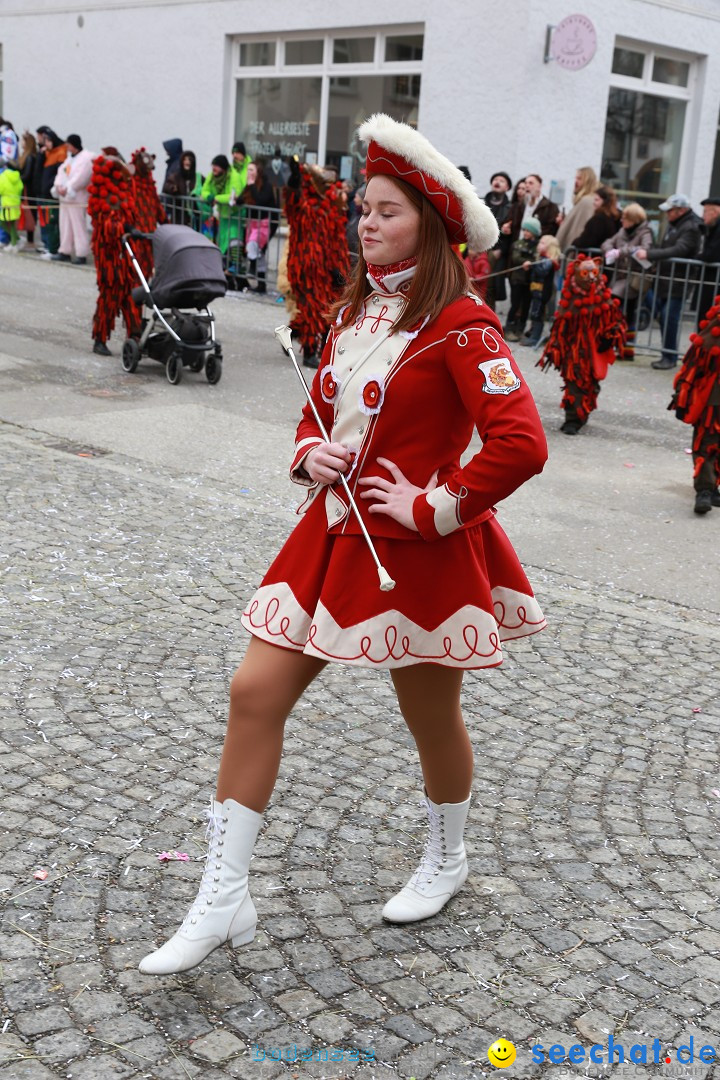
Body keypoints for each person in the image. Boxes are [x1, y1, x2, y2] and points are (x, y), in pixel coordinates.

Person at [138, 112, 548, 977]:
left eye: (388, 210)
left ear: (430, 227)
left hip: (417, 551)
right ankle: (223, 896)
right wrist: (308, 451)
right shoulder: (354, 312)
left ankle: (447, 856)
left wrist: (435, 503)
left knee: (429, 716)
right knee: (254, 693)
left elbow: (521, 443)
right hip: (328, 535)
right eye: (364, 207)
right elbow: (317, 412)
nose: (367, 222)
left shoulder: (465, 327)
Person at [538, 255, 626, 434]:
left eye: (594, 272)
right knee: (574, 383)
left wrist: (610, 336)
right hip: (575, 351)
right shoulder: (570, 299)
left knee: (592, 384)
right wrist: (554, 347)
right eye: (585, 273)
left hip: (595, 350)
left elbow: (616, 320)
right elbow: (560, 327)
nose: (591, 277)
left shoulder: (602, 296)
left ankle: (584, 411)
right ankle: (573, 418)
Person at [285, 158, 349, 367]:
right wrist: (294, 181)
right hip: (307, 268)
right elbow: (293, 202)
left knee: (329, 306)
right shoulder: (305, 206)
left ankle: (292, 333)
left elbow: (336, 241)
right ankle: (310, 352)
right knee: (314, 307)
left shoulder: (332, 208)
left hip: (329, 267)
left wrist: (338, 268)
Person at [635, 193, 702, 370]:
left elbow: (680, 249)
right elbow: (665, 247)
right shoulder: (675, 224)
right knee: (664, 316)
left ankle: (670, 356)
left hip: (679, 280)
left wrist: (650, 255)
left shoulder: (691, 227)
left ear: (681, 210)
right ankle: (667, 354)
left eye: (670, 211)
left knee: (669, 317)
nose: (667, 214)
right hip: (667, 279)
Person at [669, 296, 720, 514]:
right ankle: (705, 490)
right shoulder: (713, 331)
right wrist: (682, 394)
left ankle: (713, 485)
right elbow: (694, 362)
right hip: (712, 402)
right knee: (707, 442)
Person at [87, 148, 139, 356]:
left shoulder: (124, 192)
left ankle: (135, 337)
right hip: (109, 254)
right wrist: (123, 228)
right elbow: (106, 226)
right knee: (109, 295)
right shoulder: (103, 197)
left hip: (124, 252)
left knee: (131, 295)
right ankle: (100, 339)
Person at [601, 202, 654, 359]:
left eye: (625, 217)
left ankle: (625, 348)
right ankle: (613, 345)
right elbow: (607, 242)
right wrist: (610, 250)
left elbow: (644, 249)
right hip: (620, 276)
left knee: (626, 311)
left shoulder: (645, 232)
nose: (622, 220)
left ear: (633, 219)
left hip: (634, 278)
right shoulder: (622, 231)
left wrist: (620, 252)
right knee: (617, 310)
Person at [50, 134, 94, 264]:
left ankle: (81, 253)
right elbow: (61, 172)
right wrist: (58, 186)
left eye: (69, 145)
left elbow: (82, 177)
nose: (67, 148)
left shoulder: (86, 159)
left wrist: (69, 188)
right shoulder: (69, 159)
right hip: (65, 199)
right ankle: (65, 250)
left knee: (78, 226)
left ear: (74, 145)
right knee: (65, 225)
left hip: (77, 199)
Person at [242, 160, 275, 293]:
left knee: (252, 245)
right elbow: (241, 199)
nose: (249, 172)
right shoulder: (250, 186)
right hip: (252, 223)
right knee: (259, 254)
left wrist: (252, 186)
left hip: (265, 224)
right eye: (248, 170)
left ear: (258, 172)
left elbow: (261, 200)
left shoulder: (266, 186)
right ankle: (261, 285)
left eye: (251, 170)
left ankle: (252, 268)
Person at [522, 233, 561, 347]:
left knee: (537, 313)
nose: (539, 245)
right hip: (536, 290)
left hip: (542, 292)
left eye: (542, 243)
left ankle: (535, 336)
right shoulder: (541, 259)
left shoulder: (548, 261)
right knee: (534, 312)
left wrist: (532, 265)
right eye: (540, 242)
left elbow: (542, 272)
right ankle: (532, 331)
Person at [504, 217, 540, 340]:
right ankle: (509, 328)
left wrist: (532, 262)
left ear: (534, 232)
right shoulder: (518, 244)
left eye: (528, 230)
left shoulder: (538, 246)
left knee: (526, 306)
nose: (525, 232)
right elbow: (515, 257)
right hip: (517, 279)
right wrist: (526, 262)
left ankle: (520, 330)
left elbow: (540, 259)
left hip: (530, 281)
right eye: (524, 230)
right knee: (515, 304)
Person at [34, 127, 67, 256]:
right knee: (43, 220)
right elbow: (39, 170)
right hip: (42, 191)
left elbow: (57, 174)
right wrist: (41, 155)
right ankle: (46, 243)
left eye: (48, 141)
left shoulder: (60, 153)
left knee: (51, 221)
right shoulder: (47, 153)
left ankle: (52, 246)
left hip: (50, 194)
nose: (45, 144)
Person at [200, 155, 238, 256]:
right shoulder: (212, 176)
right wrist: (208, 196)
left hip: (233, 214)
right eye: (213, 165)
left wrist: (216, 198)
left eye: (216, 166)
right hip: (220, 214)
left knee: (232, 240)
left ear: (224, 168)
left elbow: (233, 195)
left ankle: (231, 264)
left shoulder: (233, 176)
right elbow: (204, 190)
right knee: (219, 241)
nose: (213, 168)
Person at [505, 173, 559, 243]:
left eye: (531, 183)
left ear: (539, 186)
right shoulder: (517, 206)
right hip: (516, 247)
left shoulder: (550, 207)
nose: (527, 185)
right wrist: (505, 228)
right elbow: (509, 224)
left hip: (535, 249)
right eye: (526, 183)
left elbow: (551, 230)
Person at [555, 166, 598, 253]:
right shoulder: (583, 201)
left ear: (587, 181)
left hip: (573, 254)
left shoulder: (586, 201)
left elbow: (578, 230)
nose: (575, 181)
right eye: (576, 178)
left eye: (579, 178)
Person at [569, 184, 621, 252]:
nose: (594, 203)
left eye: (597, 200)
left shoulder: (599, 219)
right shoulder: (617, 217)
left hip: (595, 259)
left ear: (605, 201)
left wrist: (575, 242)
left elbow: (586, 240)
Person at [695, 197, 720, 327]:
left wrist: (698, 257)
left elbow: (711, 255)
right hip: (710, 281)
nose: (702, 216)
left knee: (709, 320)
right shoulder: (711, 228)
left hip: (714, 283)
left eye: (705, 212)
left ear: (714, 213)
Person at [0, 161, 23, 252]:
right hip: (15, 203)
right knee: (12, 224)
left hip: (6, 204)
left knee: (4, 223)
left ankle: (14, 242)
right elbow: (20, 188)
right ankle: (15, 240)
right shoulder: (17, 177)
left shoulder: (3, 176)